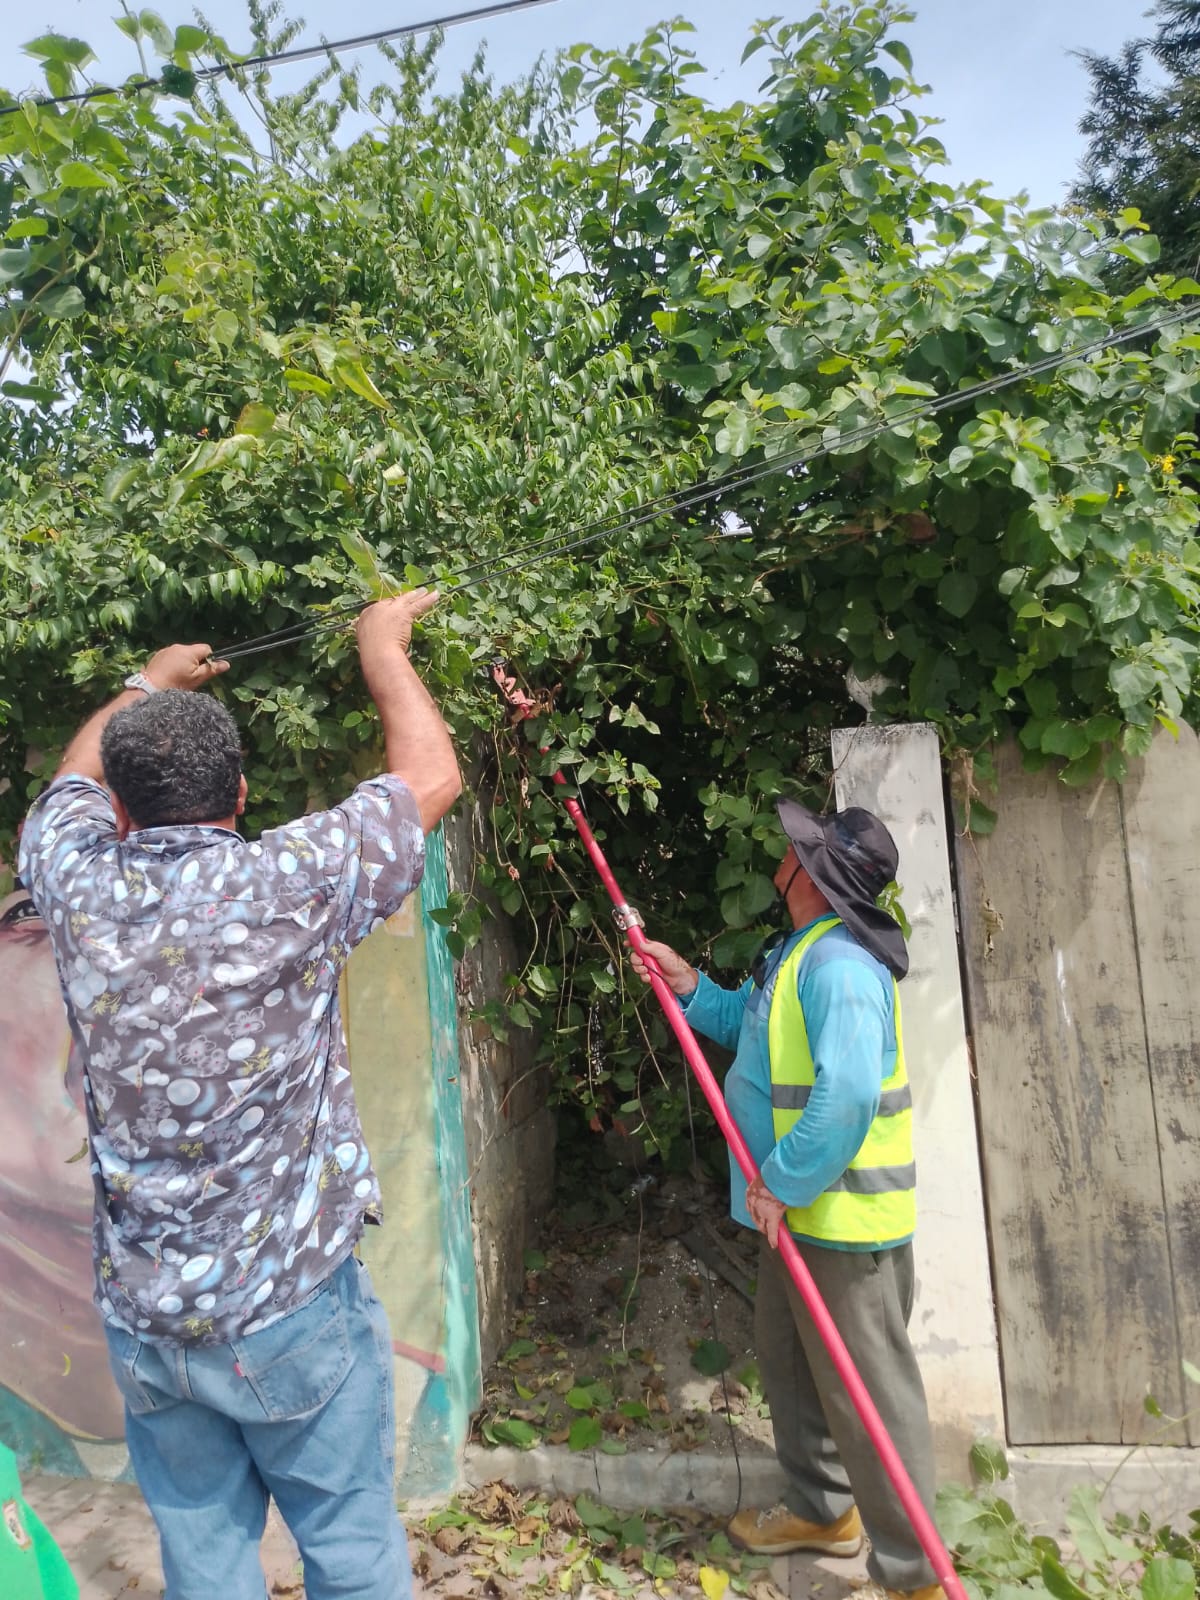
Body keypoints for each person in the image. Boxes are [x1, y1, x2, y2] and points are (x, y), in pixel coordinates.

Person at [17, 590, 460, 1600]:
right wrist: (381, 645)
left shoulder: (77, 883)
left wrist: (143, 685)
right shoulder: (287, 884)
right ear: (244, 792)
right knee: (350, 1551)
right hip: (290, 1310)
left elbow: (67, 782)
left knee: (205, 1565)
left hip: (148, 1323)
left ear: (120, 812)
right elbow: (431, 776)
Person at [631, 801, 941, 1600]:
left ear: (813, 873)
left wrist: (781, 1183)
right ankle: (821, 1512)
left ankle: (915, 1574)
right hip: (797, 1216)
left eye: (799, 848)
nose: (785, 852)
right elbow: (751, 1029)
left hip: (841, 1220)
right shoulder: (800, 953)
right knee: (791, 1365)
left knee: (870, 1398)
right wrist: (689, 985)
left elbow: (846, 1100)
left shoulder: (841, 968)